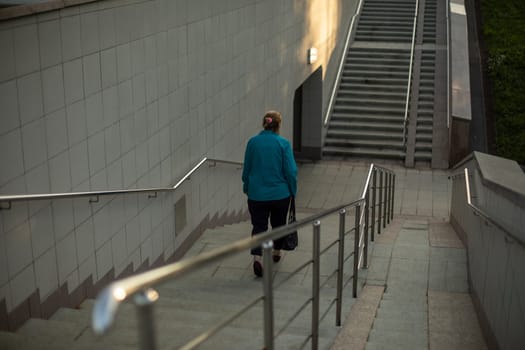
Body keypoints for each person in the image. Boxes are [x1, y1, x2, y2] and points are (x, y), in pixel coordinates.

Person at [242, 110, 298, 277]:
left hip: (257, 194)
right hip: (280, 194)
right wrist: (292, 190)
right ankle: (276, 251)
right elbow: (291, 171)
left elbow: (247, 168)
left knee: (258, 226)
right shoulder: (283, 144)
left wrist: (247, 186)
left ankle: (257, 258)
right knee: (278, 224)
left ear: (264, 124)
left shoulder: (252, 143)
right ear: (278, 125)